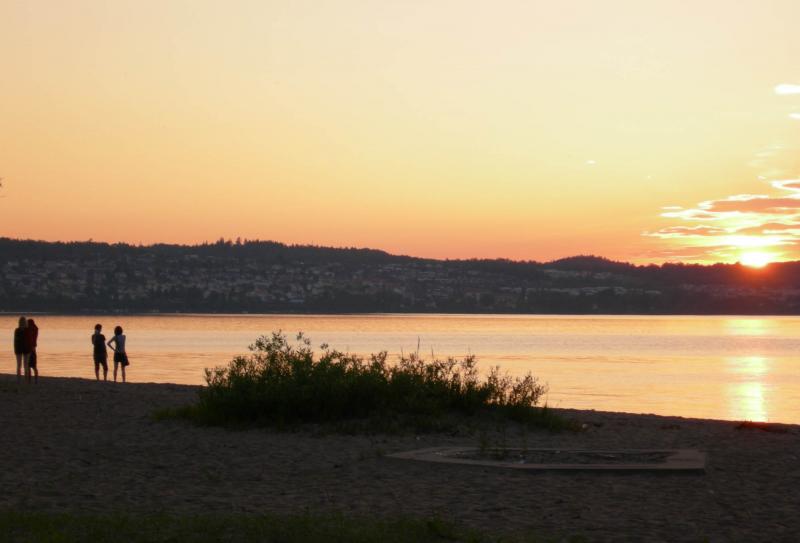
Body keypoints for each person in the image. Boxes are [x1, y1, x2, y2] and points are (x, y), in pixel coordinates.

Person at [13, 316, 31, 383]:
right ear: (25, 322)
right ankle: (26, 380)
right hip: (27, 349)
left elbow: (15, 341)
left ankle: (18, 380)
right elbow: (30, 340)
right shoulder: (28, 330)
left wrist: (15, 349)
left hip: (18, 349)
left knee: (18, 365)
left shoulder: (17, 330)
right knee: (26, 365)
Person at [26, 318, 39, 384]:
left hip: (29, 349)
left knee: (29, 366)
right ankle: (35, 380)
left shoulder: (30, 329)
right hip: (33, 349)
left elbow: (29, 339)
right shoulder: (35, 329)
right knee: (34, 366)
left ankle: (29, 381)